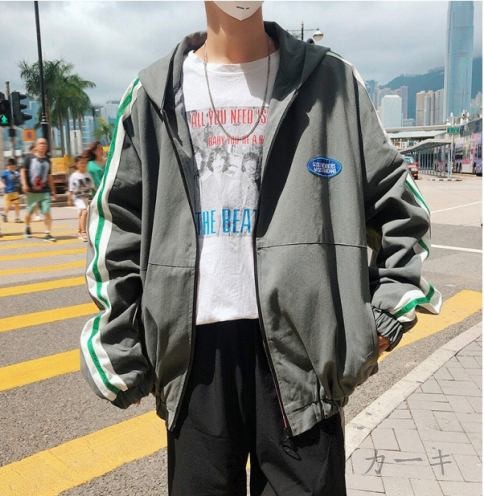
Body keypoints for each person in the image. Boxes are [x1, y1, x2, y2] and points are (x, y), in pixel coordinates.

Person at [80, 3, 442, 495]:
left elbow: (400, 204)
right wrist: (123, 341)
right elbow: (118, 225)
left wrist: (384, 316)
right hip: (194, 360)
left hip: (306, 354)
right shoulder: (152, 94)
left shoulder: (332, 83)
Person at [21, 137, 57, 242]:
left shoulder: (48, 161)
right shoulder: (29, 158)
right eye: (41, 143)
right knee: (29, 213)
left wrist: (53, 191)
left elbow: (49, 177)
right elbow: (23, 171)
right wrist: (24, 184)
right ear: (36, 146)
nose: (43, 145)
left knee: (47, 212)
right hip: (31, 191)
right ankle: (27, 227)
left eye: (45, 144)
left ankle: (47, 233)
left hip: (44, 191)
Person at [68, 154, 94, 242]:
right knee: (85, 212)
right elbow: (71, 189)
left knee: (81, 215)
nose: (83, 165)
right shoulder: (74, 175)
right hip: (77, 198)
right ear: (77, 164)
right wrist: (69, 199)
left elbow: (92, 186)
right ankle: (83, 232)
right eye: (81, 163)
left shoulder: (88, 174)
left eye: (84, 163)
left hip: (85, 197)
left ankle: (79, 232)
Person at [0, 158, 23, 224]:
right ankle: (4, 215)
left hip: (15, 192)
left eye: (13, 165)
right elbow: (1, 179)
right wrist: (3, 185)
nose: (11, 166)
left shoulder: (16, 173)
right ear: (7, 166)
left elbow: (19, 180)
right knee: (8, 206)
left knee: (17, 204)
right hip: (7, 192)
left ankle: (17, 218)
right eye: (9, 165)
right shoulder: (4, 172)